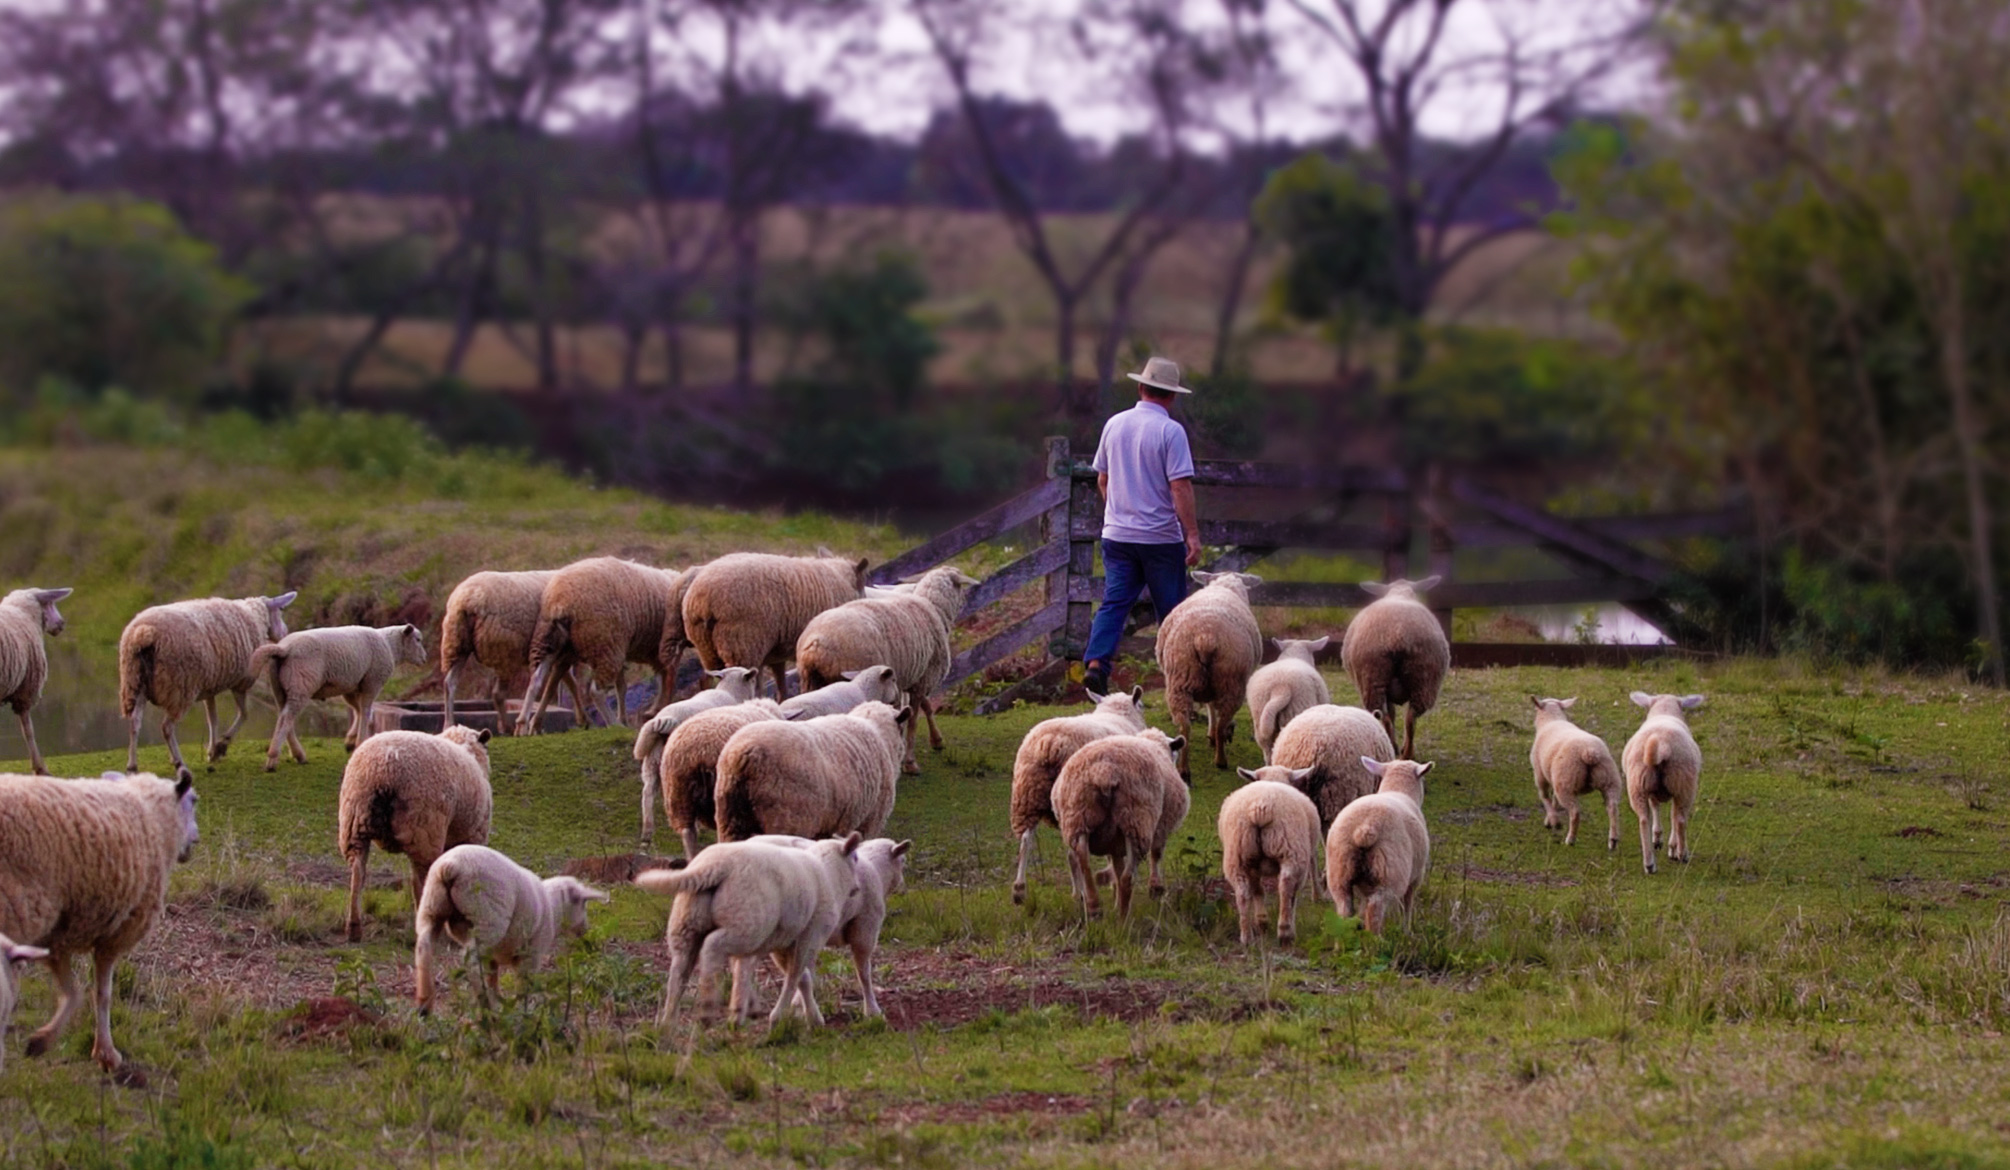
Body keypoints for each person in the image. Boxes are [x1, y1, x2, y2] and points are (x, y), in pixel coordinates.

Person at [1081, 356, 1201, 697]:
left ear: (1140, 387)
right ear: (1172, 396)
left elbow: (1102, 479)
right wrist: (1191, 534)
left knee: (1114, 603)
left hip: (1117, 536)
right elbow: (1180, 486)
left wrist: (1119, 512)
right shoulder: (1170, 431)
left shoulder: (1114, 424)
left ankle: (1096, 665)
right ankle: (1182, 681)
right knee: (1173, 613)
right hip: (1160, 538)